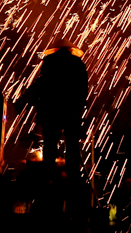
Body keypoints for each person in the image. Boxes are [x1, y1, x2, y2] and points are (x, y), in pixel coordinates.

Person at [28, 37, 89, 186]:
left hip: (51, 110)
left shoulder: (49, 62)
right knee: (72, 143)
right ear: (70, 50)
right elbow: (83, 89)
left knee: (49, 144)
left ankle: (47, 175)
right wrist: (79, 106)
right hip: (71, 110)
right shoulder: (78, 63)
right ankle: (73, 175)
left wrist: (38, 103)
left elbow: (43, 85)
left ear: (55, 50)